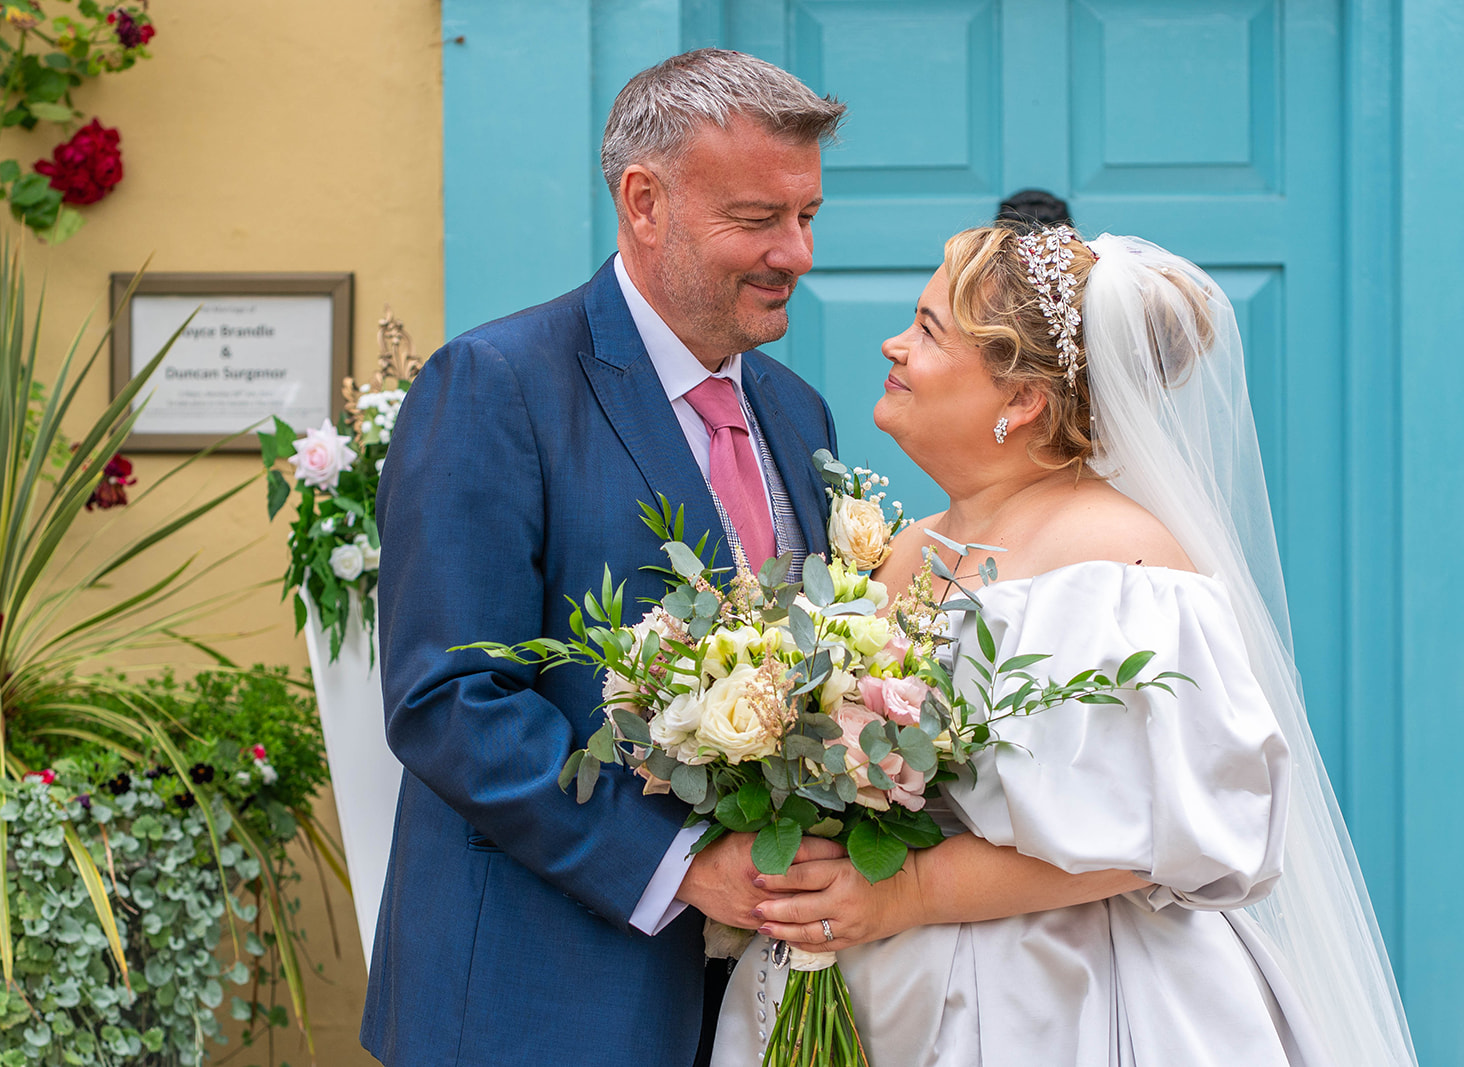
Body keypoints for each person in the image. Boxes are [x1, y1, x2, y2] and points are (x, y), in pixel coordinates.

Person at [712, 225, 1418, 1066]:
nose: (894, 344)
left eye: (930, 331)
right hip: (881, 992)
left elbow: (1157, 839)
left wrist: (908, 892)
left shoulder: (1124, 560)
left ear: (1021, 402)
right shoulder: (906, 551)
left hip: (1070, 1000)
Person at [361, 50, 848, 1066]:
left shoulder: (799, 415)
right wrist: (681, 862)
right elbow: (449, 698)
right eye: (758, 220)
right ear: (643, 202)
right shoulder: (495, 385)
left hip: (755, 1002)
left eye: (805, 216)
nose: (795, 253)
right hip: (533, 999)